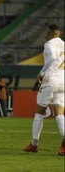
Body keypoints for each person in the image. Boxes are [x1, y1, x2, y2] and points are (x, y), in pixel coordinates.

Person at [23, 24, 64, 156]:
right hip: (63, 80)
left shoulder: (49, 43)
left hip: (50, 79)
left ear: (48, 33)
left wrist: (42, 72)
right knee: (59, 113)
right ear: (60, 33)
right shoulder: (63, 44)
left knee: (39, 111)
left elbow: (51, 58)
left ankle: (34, 145)